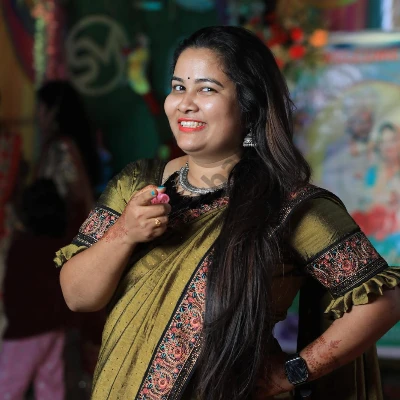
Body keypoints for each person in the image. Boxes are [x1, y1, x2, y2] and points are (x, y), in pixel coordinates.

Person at [55, 26, 400, 400]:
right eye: (178, 87)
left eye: (207, 89)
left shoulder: (288, 206)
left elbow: (384, 300)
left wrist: (293, 372)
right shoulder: (137, 184)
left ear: (249, 106)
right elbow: (78, 296)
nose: (185, 103)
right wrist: (124, 233)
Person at [0, 80, 102, 400]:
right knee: (51, 377)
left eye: (41, 109)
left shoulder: (60, 149)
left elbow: (61, 205)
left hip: (52, 260)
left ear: (53, 111)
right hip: (55, 267)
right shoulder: (59, 147)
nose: (37, 116)